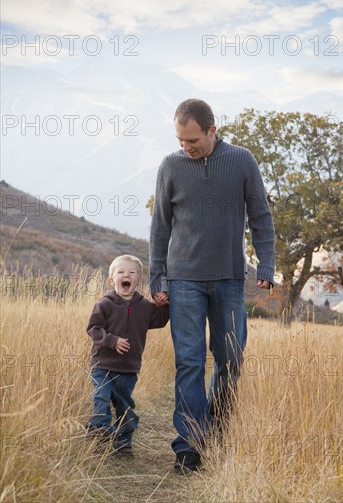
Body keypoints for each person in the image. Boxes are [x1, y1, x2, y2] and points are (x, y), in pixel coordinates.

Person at [149, 98, 275, 472]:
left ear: (212, 130)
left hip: (229, 279)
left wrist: (266, 262)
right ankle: (188, 445)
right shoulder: (170, 166)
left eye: (193, 141)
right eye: (180, 140)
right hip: (183, 278)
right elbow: (160, 226)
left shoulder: (242, 160)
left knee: (230, 359)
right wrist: (158, 276)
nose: (186, 148)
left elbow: (261, 215)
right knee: (188, 361)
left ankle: (215, 434)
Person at [86, 254, 169, 456]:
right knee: (101, 397)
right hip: (102, 364)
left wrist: (164, 305)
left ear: (138, 281)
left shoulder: (144, 306)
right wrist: (112, 341)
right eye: (121, 272)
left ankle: (123, 443)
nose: (126, 275)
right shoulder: (104, 304)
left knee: (125, 406)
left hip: (129, 367)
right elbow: (93, 329)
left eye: (132, 273)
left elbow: (159, 321)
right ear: (111, 279)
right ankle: (99, 432)